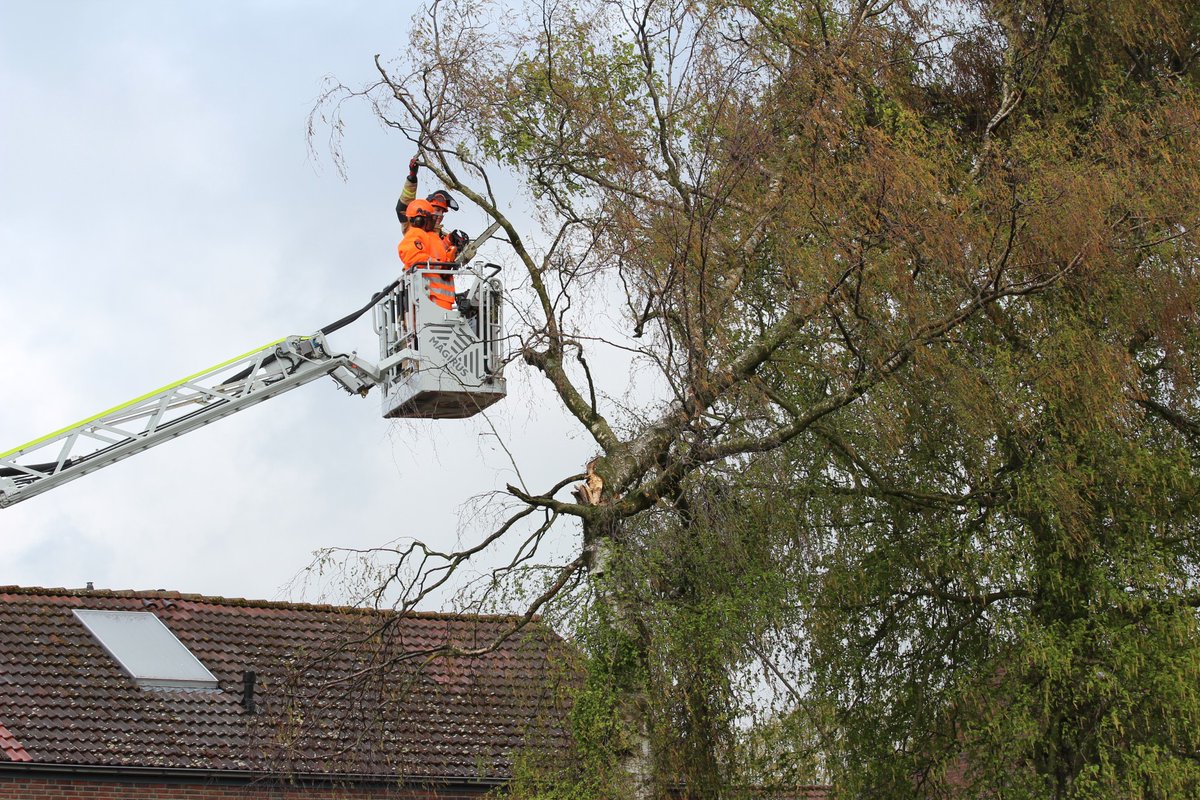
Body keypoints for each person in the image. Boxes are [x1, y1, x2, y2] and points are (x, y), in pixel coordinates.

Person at [398, 199, 460, 310]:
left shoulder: (432, 237)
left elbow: (439, 253)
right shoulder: (415, 234)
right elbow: (414, 257)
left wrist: (450, 241)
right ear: (419, 220)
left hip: (443, 299)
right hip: (428, 298)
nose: (434, 220)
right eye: (431, 217)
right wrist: (440, 265)